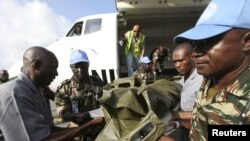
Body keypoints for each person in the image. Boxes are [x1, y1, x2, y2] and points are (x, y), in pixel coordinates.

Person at [173, 0, 250, 140]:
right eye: (195, 44)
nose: (195, 53)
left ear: (247, 41)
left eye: (208, 42)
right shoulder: (212, 79)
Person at [0, 46, 104, 141]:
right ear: (36, 65)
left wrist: (86, 129)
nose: (56, 73)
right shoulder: (15, 94)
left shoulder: (36, 91)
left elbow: (48, 130)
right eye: (52, 68)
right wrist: (88, 125)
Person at [160, 42, 203, 141]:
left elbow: (208, 114)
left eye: (180, 61)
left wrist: (177, 116)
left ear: (192, 57)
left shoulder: (202, 80)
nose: (177, 65)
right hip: (183, 126)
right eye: (175, 62)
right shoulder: (183, 79)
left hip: (198, 130)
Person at [55, 49, 104, 128]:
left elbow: (106, 105)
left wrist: (89, 115)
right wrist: (73, 116)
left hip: (97, 126)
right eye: (76, 67)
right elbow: (62, 110)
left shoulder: (98, 83)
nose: (80, 70)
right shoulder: (64, 88)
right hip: (77, 128)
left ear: (88, 65)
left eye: (83, 66)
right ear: (71, 67)